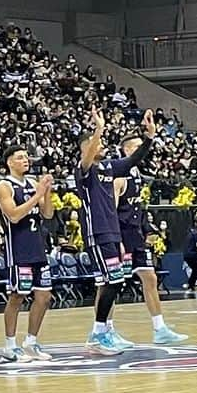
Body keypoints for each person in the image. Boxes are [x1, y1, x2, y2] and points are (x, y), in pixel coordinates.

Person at [77, 107, 158, 355]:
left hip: (112, 233)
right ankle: (98, 334)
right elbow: (90, 154)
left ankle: (102, 332)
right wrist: (98, 129)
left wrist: (150, 138)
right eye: (95, 143)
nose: (101, 146)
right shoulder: (84, 169)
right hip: (96, 233)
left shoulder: (109, 168)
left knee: (114, 281)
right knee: (112, 280)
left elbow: (134, 160)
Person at [113, 128, 186, 344]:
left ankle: (159, 328)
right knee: (111, 284)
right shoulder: (119, 177)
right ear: (126, 151)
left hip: (135, 235)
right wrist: (116, 240)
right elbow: (111, 212)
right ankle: (104, 330)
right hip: (121, 236)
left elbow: (139, 208)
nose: (141, 152)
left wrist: (147, 229)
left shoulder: (138, 176)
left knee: (150, 278)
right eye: (136, 148)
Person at [0, 145, 55, 362]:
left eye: (26, 157)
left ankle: (31, 342)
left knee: (44, 296)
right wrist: (36, 195)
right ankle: (10, 345)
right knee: (17, 296)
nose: (25, 160)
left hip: (38, 247)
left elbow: (47, 214)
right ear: (9, 162)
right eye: (20, 158)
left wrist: (46, 192)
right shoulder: (4, 185)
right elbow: (13, 216)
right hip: (18, 249)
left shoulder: (31, 184)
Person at [182, 216, 197, 294]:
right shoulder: (196, 232)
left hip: (187, 254)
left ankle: (190, 285)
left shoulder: (191, 231)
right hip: (192, 255)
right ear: (196, 223)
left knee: (196, 270)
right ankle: (190, 286)